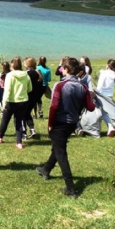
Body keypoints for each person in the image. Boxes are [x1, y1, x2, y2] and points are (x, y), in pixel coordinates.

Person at [36, 57, 95, 198]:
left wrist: (50, 124)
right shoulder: (83, 87)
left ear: (67, 70)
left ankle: (71, 188)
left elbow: (54, 106)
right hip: (72, 124)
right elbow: (91, 108)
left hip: (59, 124)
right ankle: (46, 169)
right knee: (58, 147)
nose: (61, 69)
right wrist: (91, 96)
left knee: (61, 153)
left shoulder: (60, 85)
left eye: (62, 67)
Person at [0, 56, 32, 149]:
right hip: (23, 101)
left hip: (11, 101)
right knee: (18, 121)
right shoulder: (26, 75)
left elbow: (7, 91)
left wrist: (3, 104)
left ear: (12, 65)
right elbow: (30, 88)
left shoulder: (10, 75)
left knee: (5, 120)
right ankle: (19, 142)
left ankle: (0, 136)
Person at [95, 59, 115, 137]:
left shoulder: (104, 73)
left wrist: (95, 92)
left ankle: (106, 127)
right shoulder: (114, 74)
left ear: (108, 65)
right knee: (105, 113)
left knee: (97, 111)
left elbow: (99, 86)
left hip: (102, 95)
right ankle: (110, 126)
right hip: (110, 95)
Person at [24, 57, 43, 138]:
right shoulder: (36, 74)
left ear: (26, 64)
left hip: (27, 96)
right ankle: (32, 130)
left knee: (23, 114)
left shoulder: (26, 74)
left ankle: (24, 132)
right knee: (27, 113)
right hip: (34, 97)